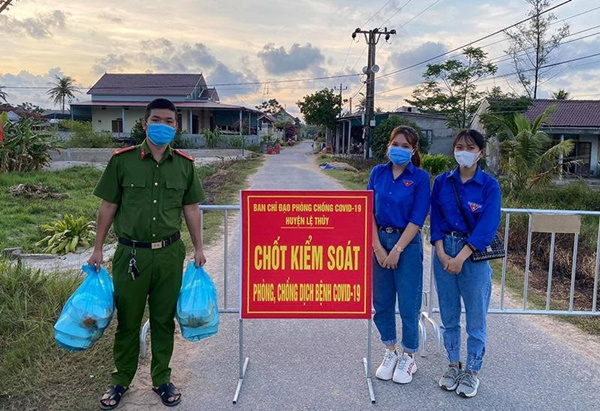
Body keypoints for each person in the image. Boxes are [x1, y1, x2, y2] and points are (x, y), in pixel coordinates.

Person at [88, 98, 207, 410]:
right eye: (156, 120)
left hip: (169, 255)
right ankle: (121, 380)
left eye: (169, 121)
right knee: (128, 320)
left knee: (163, 320)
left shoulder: (185, 165)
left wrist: (198, 248)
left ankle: (161, 378)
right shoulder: (122, 161)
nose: (162, 126)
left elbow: (191, 209)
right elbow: (108, 205)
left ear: (176, 126)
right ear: (144, 123)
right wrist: (97, 248)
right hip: (131, 254)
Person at [430, 129, 501, 398]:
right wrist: (441, 253)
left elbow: (487, 225)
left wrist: (461, 256)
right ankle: (452, 364)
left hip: (472, 255)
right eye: (459, 147)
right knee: (448, 314)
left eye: (470, 148)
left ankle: (472, 370)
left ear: (480, 153)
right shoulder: (442, 182)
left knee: (475, 317)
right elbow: (436, 219)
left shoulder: (489, 186)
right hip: (444, 250)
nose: (464, 152)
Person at [367, 126, 431, 384]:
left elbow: (418, 218)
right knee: (382, 301)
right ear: (388, 145)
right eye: (396, 144)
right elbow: (368, 211)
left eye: (406, 146)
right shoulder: (377, 173)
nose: (400, 149)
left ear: (414, 150)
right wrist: (378, 247)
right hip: (380, 240)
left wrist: (397, 250)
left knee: (408, 302)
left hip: (407, 243)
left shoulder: (420, 178)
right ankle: (390, 350)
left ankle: (408, 356)